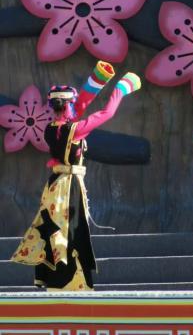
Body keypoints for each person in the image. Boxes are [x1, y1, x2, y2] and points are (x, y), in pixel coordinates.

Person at [11, 62, 141, 290]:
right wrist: (121, 89)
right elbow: (107, 112)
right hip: (68, 188)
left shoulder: (51, 127)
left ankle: (60, 281)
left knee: (56, 230)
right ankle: (71, 282)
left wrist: (97, 80)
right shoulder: (74, 130)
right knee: (69, 231)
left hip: (55, 187)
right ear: (67, 106)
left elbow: (79, 106)